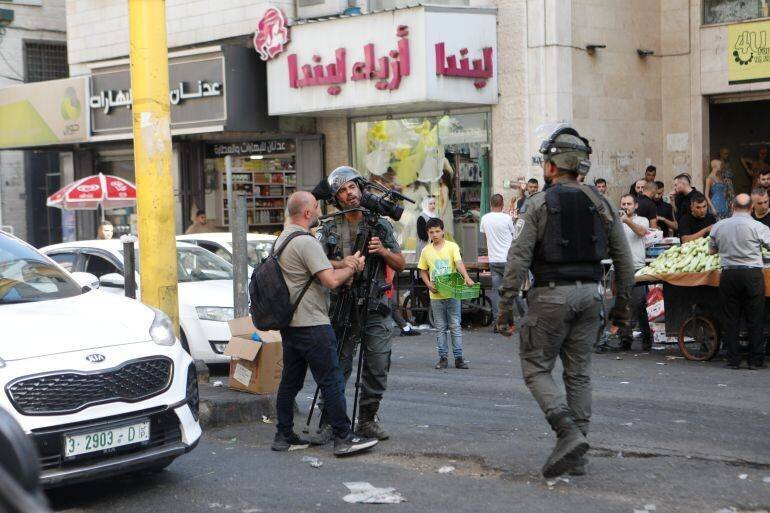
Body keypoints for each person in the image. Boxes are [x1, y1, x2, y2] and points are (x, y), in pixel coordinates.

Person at [496, 125, 635, 478]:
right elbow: (624, 260)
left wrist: (505, 309)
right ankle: (578, 453)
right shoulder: (601, 202)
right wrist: (622, 308)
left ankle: (568, 434)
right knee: (579, 373)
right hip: (591, 296)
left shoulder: (537, 204)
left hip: (551, 296)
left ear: (551, 166)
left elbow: (517, 261)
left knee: (536, 367)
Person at [272, 191, 378, 456]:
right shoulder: (306, 242)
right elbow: (330, 280)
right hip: (313, 323)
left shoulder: (283, 239)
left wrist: (342, 263)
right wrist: (353, 267)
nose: (320, 211)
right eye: (316, 208)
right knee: (331, 380)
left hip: (290, 324)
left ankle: (283, 435)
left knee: (290, 382)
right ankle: (344, 437)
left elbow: (317, 267)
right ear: (307, 212)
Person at [316, 166, 405, 443]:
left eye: (352, 187)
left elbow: (400, 264)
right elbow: (315, 263)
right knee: (337, 365)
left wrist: (383, 251)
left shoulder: (379, 224)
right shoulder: (330, 227)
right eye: (343, 190)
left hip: (375, 305)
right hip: (342, 304)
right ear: (337, 198)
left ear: (360, 188)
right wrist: (342, 263)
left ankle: (367, 419)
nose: (349, 193)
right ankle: (330, 419)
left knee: (378, 363)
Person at [709, 194, 770, 370]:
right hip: (752, 276)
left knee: (731, 318)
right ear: (751, 208)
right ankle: (755, 360)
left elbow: (712, 251)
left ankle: (733, 360)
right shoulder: (759, 226)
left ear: (731, 206)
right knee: (755, 318)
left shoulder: (718, 226)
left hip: (729, 275)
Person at [418, 217, 475, 369]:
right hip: (435, 296)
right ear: (428, 233)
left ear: (443, 231)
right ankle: (443, 357)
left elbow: (458, 263)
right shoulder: (426, 251)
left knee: (455, 326)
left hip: (453, 293)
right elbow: (423, 271)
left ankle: (459, 358)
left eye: (437, 231)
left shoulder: (452, 247)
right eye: (431, 232)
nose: (435, 234)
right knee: (440, 327)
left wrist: (467, 277)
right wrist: (429, 285)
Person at [619, 194, 653, 351]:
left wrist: (627, 220)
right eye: (624, 204)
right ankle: (625, 339)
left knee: (639, 304)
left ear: (636, 206)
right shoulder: (616, 221)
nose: (626, 206)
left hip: (638, 267)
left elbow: (641, 232)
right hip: (620, 268)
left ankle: (647, 337)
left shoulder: (642, 220)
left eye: (629, 204)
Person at [479, 193, 514, 331]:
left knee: (496, 292)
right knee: (509, 292)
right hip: (508, 259)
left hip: (494, 260)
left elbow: (486, 237)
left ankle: (497, 323)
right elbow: (514, 235)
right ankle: (509, 322)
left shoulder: (485, 218)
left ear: (490, 204)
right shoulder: (507, 218)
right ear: (502, 204)